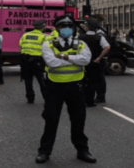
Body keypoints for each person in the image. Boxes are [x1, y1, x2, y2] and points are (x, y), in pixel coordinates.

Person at [36, 15, 96, 164]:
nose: (66, 29)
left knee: (78, 120)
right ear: (56, 28)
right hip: (54, 86)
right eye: (63, 26)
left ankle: (82, 150)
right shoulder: (48, 43)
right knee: (51, 119)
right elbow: (51, 62)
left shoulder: (81, 43)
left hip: (76, 86)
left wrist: (64, 57)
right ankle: (44, 152)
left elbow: (86, 60)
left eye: (69, 26)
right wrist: (74, 58)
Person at [79, 18, 110, 106]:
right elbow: (107, 47)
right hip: (96, 62)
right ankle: (99, 98)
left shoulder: (80, 37)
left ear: (87, 27)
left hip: (84, 61)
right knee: (97, 80)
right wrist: (99, 58)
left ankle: (85, 98)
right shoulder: (100, 37)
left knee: (84, 80)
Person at [19, 20, 47, 103]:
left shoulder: (25, 35)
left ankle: (30, 98)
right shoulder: (44, 36)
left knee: (28, 81)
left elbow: (20, 45)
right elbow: (48, 48)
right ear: (42, 27)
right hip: (37, 61)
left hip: (25, 61)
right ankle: (46, 98)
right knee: (41, 81)